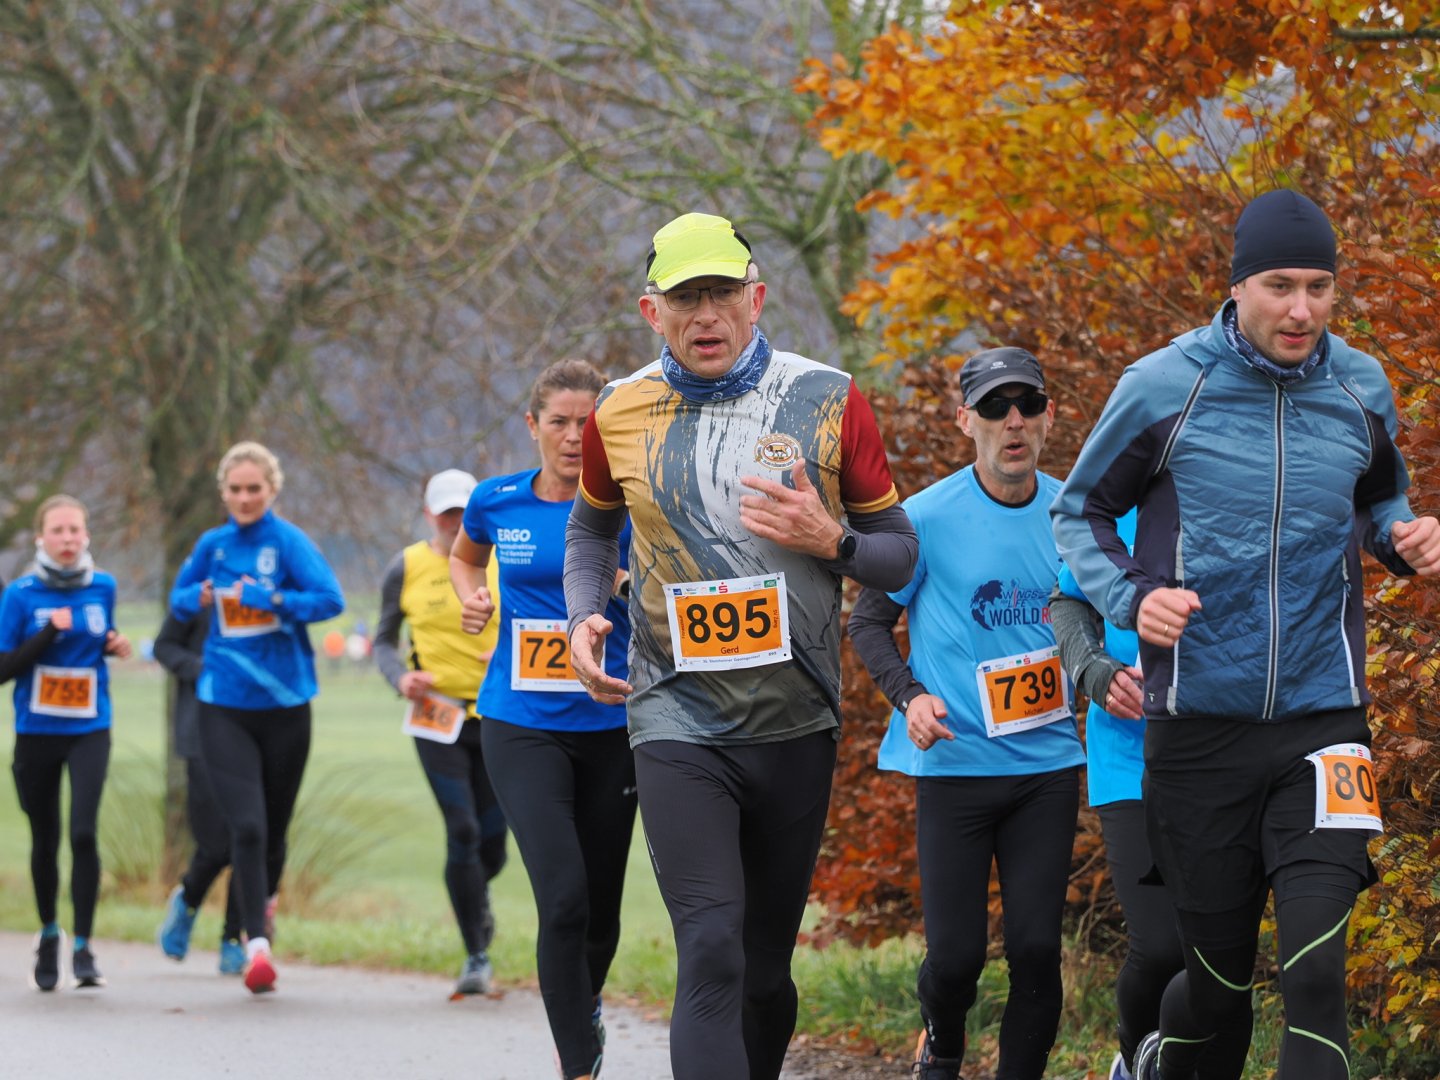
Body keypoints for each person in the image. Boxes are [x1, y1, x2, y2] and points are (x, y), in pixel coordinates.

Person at [1051, 189, 1440, 1080]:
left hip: (1324, 721)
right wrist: (1133, 599)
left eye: (1319, 288)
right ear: (1237, 288)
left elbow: (1379, 499)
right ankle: (1160, 1057)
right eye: (1279, 286)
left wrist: (1404, 537)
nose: (1301, 309)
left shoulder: (1360, 385)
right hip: (1198, 732)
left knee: (1317, 979)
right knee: (1218, 991)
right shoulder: (1164, 386)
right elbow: (1080, 513)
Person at [563, 212, 917, 1080]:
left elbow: (900, 557)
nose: (706, 314)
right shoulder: (619, 410)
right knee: (711, 944)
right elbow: (589, 531)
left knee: (762, 971)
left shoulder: (828, 398)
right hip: (674, 720)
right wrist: (582, 615)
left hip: (796, 720)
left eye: (722, 293)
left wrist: (831, 539)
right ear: (652, 312)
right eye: (686, 298)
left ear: (756, 299)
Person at [848, 348, 1083, 1080]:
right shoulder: (924, 518)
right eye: (993, 408)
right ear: (965, 421)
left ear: (1048, 417)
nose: (1013, 422)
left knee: (1037, 951)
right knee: (955, 960)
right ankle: (942, 1041)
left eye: (1027, 406)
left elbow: (1108, 616)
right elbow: (867, 623)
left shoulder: (1076, 514)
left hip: (1047, 766)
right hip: (955, 766)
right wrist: (911, 695)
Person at [450, 360, 635, 1080]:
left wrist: (629, 586)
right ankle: (578, 1064)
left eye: (588, 422)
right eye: (559, 421)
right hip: (521, 722)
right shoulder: (495, 501)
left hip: (613, 723)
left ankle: (583, 1005)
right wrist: (473, 597)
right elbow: (466, 559)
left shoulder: (633, 505)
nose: (573, 435)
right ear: (533, 426)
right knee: (563, 898)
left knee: (602, 909)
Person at [169, 441, 345, 994]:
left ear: (271, 490)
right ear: (223, 492)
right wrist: (195, 597)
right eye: (235, 489)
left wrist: (276, 601)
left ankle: (246, 920)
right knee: (245, 825)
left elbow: (330, 599)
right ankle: (255, 946)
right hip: (223, 703)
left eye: (254, 489)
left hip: (286, 705)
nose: (244, 498)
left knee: (273, 832)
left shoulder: (288, 542)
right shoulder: (213, 544)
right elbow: (176, 600)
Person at [1048, 510, 1188, 1080]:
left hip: (1222, 759)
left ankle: (1178, 1061)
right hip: (1129, 754)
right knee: (1159, 946)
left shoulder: (1246, 495)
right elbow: (1068, 600)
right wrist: (1093, 668)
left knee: (1211, 954)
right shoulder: (1118, 506)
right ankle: (1133, 1060)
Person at [374, 468, 508, 998]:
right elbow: (384, 640)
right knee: (463, 831)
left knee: (493, 847)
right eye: (447, 513)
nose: (455, 522)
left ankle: (475, 898)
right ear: (430, 515)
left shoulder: (504, 557)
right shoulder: (405, 566)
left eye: (463, 511)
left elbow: (539, 620)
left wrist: (512, 650)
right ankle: (476, 954)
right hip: (437, 716)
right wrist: (399, 678)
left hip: (499, 713)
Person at [0, 495, 132, 990]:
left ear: (87, 535)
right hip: (37, 733)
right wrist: (46, 636)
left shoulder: (104, 586)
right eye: (58, 530)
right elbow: (3, 668)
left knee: (83, 833)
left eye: (75, 529)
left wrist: (114, 645)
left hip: (89, 729)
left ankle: (83, 945)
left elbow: (99, 639)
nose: (68, 538)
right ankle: (49, 933)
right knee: (45, 838)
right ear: (41, 538)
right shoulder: (20, 595)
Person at [154, 608, 247, 976]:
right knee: (216, 845)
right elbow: (164, 646)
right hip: (201, 732)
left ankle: (233, 938)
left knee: (249, 837)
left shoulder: (271, 586)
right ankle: (189, 899)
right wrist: (201, 668)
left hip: (255, 730)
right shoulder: (198, 590)